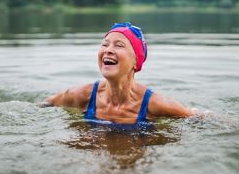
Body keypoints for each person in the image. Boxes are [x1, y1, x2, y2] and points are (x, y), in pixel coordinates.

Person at [41, 22, 195, 125]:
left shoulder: (154, 104)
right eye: (104, 44)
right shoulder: (83, 95)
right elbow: (47, 103)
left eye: (119, 45)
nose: (108, 50)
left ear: (136, 62)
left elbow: (196, 117)